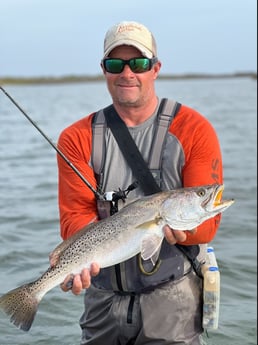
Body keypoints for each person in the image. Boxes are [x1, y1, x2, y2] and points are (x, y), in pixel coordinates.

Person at [56, 21, 223, 345]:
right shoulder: (76, 137)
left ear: (156, 68)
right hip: (101, 303)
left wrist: (180, 229)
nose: (127, 73)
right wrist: (75, 261)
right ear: (104, 70)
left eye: (140, 63)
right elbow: (74, 217)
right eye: (115, 64)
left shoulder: (194, 128)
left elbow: (209, 224)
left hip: (172, 302)